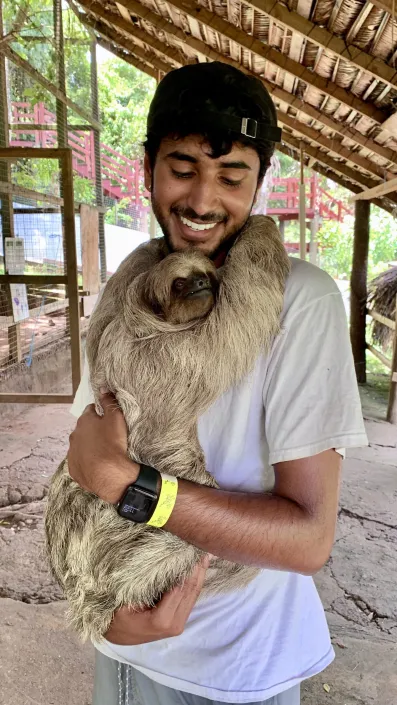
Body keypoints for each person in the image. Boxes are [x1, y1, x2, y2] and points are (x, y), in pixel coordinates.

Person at [67, 62, 368, 705]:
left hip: (246, 661)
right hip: (130, 643)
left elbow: (308, 538)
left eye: (232, 177)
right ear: (148, 164)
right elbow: (80, 478)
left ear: (260, 182)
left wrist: (131, 485)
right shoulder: (129, 289)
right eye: (181, 169)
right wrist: (100, 609)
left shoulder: (299, 300)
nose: (203, 202)